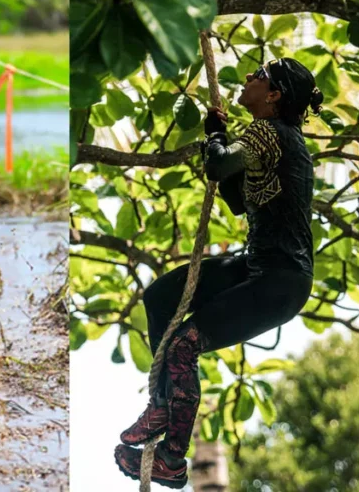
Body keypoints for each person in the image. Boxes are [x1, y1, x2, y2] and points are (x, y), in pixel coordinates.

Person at [113, 58, 324, 488]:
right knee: (160, 298)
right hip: (260, 268)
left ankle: (172, 457)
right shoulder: (278, 142)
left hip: (278, 279)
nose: (248, 78)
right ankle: (161, 405)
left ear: (275, 95)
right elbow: (234, 197)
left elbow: (218, 166)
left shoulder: (269, 132)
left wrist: (214, 135)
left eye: (259, 75)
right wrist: (219, 137)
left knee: (184, 347)